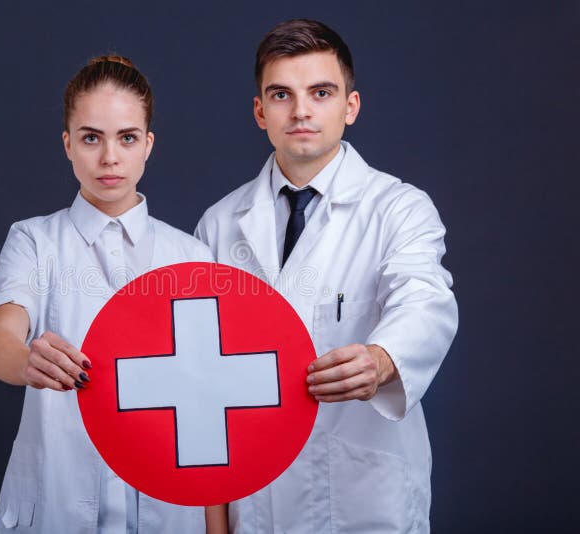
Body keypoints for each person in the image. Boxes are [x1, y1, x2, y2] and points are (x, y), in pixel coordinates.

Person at [196, 19, 458, 533]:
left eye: (321, 92)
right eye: (280, 95)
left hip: (364, 499)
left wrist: (382, 360)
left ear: (350, 106)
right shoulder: (219, 224)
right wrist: (214, 514)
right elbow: (204, 381)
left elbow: (424, 301)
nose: (301, 111)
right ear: (259, 111)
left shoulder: (398, 209)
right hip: (257, 499)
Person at [0, 55, 210, 533]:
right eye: (91, 138)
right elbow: (0, 337)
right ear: (67, 144)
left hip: (165, 505)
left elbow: (208, 399)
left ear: (148, 145)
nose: (110, 158)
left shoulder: (192, 256)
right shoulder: (33, 240)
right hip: (58, 501)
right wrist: (26, 361)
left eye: (127, 138)